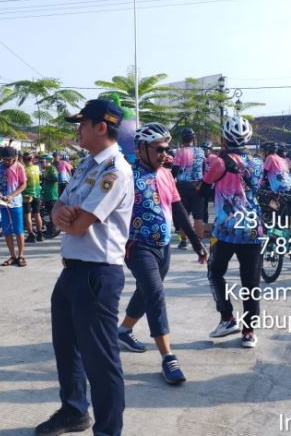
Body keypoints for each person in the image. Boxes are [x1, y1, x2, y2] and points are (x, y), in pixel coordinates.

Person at [35, 99, 133, 436]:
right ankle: (74, 410)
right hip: (73, 270)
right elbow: (60, 208)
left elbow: (78, 225)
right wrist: (60, 215)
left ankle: (108, 430)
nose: (78, 129)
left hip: (97, 273)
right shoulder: (85, 166)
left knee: (100, 360)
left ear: (101, 127)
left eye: (83, 123)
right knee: (66, 347)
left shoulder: (114, 171)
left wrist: (66, 218)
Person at [117, 123, 207, 385]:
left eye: (167, 149)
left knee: (146, 292)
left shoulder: (166, 174)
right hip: (137, 246)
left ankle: (123, 330)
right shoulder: (126, 176)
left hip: (163, 245)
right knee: (155, 294)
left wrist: (195, 241)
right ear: (142, 149)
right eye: (159, 149)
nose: (164, 154)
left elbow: (178, 209)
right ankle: (168, 357)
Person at [199, 116, 264, 348]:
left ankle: (227, 317)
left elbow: (202, 190)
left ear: (225, 138)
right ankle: (248, 332)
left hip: (227, 230)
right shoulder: (258, 163)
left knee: (215, 272)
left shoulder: (218, 162)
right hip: (253, 230)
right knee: (251, 282)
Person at [0, 146, 28, 267]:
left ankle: (20, 256)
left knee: (18, 230)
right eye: (4, 159)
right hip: (2, 202)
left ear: (14, 158)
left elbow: (23, 184)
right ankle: (12, 256)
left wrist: (12, 195)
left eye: (8, 160)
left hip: (15, 203)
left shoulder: (19, 166)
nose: (6, 162)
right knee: (6, 230)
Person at [172, 127, 206, 248]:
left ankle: (183, 241)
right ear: (193, 139)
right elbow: (203, 169)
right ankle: (200, 242)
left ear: (182, 139)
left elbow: (175, 170)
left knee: (184, 214)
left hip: (183, 186)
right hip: (198, 185)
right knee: (199, 216)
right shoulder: (201, 151)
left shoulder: (180, 152)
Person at [22, 152, 44, 243]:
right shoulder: (37, 168)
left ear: (24, 160)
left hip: (27, 195)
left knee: (28, 215)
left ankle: (31, 235)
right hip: (37, 194)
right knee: (37, 214)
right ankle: (40, 234)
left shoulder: (23, 169)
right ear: (31, 159)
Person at [40, 154, 60, 236]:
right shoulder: (47, 169)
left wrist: (45, 178)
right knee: (49, 213)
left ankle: (53, 230)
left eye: (42, 162)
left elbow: (55, 178)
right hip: (47, 195)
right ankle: (49, 229)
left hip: (52, 195)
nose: (41, 164)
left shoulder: (52, 168)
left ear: (47, 162)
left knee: (52, 213)